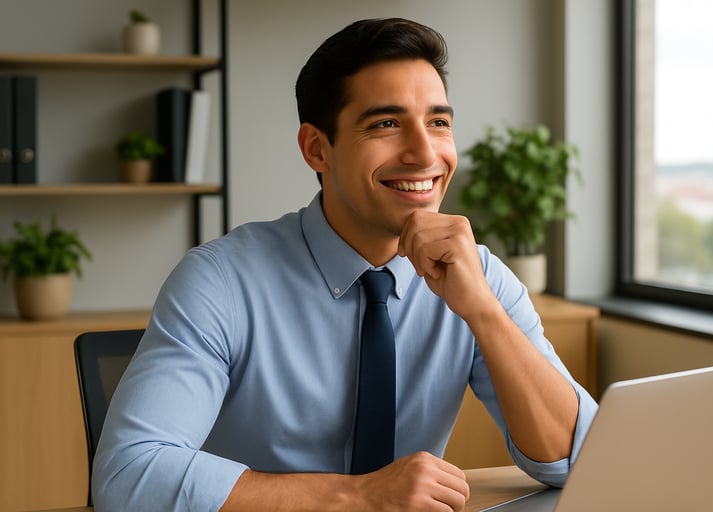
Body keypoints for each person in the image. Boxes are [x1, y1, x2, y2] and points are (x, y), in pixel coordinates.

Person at [92, 17, 598, 512]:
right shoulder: (220, 281)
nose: (425, 153)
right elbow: (129, 475)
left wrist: (484, 313)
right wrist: (358, 498)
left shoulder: (479, 275)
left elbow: (581, 462)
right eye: (386, 124)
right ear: (317, 149)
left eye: (438, 123)